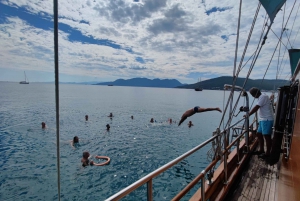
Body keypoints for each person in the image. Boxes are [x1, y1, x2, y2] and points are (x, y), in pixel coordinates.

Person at [247, 87, 274, 158]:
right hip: (262, 120)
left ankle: (268, 153)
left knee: (267, 137)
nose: (253, 96)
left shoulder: (263, 97)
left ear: (255, 93)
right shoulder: (262, 97)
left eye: (252, 94)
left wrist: (248, 114)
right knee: (259, 134)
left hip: (267, 119)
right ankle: (261, 149)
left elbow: (256, 107)